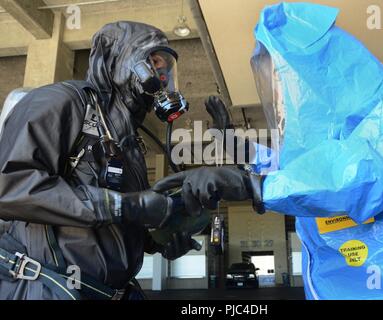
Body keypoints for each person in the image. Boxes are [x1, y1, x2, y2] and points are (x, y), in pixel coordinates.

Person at [0, 21, 261, 300]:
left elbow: (109, 223)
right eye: (156, 61)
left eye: (168, 69)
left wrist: (156, 240)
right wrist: (129, 205)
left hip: (114, 292)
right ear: (125, 59)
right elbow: (10, 188)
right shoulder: (64, 101)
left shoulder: (128, 139)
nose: (163, 75)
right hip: (51, 288)